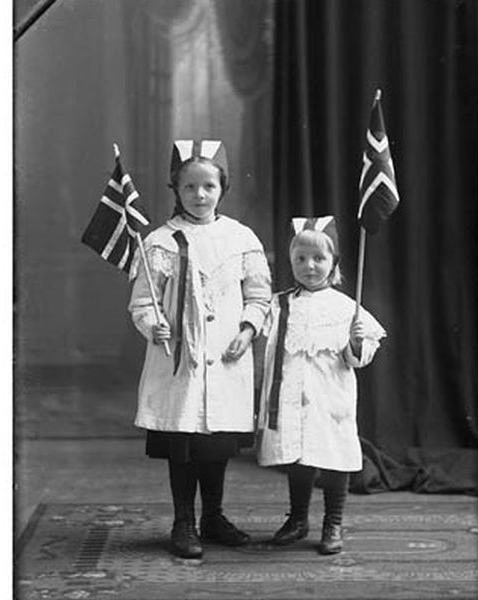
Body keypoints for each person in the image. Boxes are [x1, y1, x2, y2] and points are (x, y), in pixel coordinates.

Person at [128, 140, 272, 559]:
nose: (199, 195)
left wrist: (248, 330)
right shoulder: (160, 241)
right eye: (189, 187)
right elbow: (143, 300)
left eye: (208, 186)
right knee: (184, 443)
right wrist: (153, 324)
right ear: (176, 188)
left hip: (227, 357)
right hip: (180, 360)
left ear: (222, 187)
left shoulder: (241, 238)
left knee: (216, 445)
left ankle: (213, 516)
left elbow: (259, 296)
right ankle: (183, 520)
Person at [256, 216, 386, 554]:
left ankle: (334, 522)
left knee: (333, 457)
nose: (309, 266)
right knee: (298, 458)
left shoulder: (346, 308)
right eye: (300, 258)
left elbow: (359, 358)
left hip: (330, 396)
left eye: (318, 259)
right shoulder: (279, 304)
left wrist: (356, 343)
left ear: (334, 263)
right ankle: (298, 519)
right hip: (291, 395)